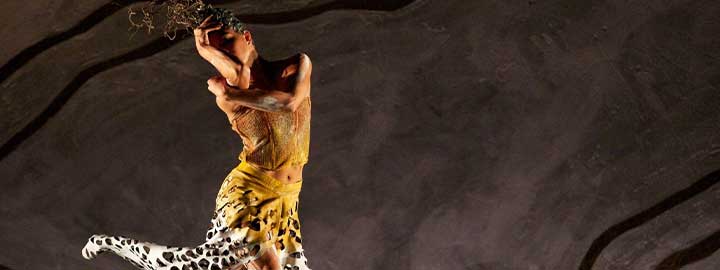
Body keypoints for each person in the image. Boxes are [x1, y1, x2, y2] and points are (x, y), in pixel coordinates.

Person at [81, 7, 314, 270]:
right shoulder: (231, 90)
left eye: (226, 41)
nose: (225, 53)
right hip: (247, 195)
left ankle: (110, 244)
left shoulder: (295, 66)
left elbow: (289, 103)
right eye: (217, 51)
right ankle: (109, 243)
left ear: (247, 37)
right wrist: (206, 50)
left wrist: (229, 95)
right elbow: (241, 74)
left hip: (286, 200)